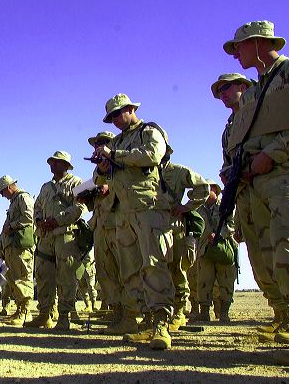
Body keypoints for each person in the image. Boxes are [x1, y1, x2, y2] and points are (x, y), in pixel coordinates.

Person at [223, 20, 289, 366]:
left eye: (237, 47)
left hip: (287, 178)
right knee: (267, 263)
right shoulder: (253, 93)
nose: (235, 54)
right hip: (252, 188)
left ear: (256, 43)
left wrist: (277, 151)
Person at [92, 93, 174, 350]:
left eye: (118, 114)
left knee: (154, 265)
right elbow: (99, 179)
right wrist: (103, 167)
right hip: (123, 213)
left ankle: (161, 325)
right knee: (130, 270)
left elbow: (152, 155)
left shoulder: (149, 131)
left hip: (149, 208)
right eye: (111, 117)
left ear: (130, 109)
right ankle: (141, 321)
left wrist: (116, 155)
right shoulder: (117, 141)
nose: (115, 120)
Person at [211, 72, 286, 332]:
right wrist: (227, 172)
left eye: (227, 88)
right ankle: (283, 316)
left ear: (243, 86)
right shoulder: (229, 128)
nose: (223, 94)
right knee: (260, 263)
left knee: (283, 257)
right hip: (245, 195)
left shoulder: (262, 107)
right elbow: (228, 161)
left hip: (274, 187)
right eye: (220, 91)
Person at [24, 151, 86, 331]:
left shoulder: (77, 183)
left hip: (65, 235)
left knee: (66, 275)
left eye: (57, 162)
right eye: (52, 162)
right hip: (45, 237)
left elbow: (80, 207)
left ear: (66, 165)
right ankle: (44, 314)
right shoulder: (45, 187)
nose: (53, 165)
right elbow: (37, 207)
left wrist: (57, 220)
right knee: (43, 276)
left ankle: (65, 316)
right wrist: (38, 221)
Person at [160, 158, 209, 331]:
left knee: (176, 269)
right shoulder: (142, 171)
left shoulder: (178, 171)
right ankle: (159, 313)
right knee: (154, 271)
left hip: (173, 228)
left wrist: (186, 207)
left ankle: (179, 312)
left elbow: (203, 187)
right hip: (150, 228)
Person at [83, 132, 125, 329]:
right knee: (105, 270)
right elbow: (88, 193)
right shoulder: (96, 172)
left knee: (125, 269)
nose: (98, 146)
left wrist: (110, 187)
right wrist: (88, 195)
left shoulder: (122, 164)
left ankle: (132, 314)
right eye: (96, 143)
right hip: (100, 225)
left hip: (119, 223)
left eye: (103, 143)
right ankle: (116, 312)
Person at [193, 180, 237, 323]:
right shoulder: (198, 209)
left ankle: (224, 314)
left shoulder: (226, 206)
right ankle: (204, 313)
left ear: (214, 190)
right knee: (203, 282)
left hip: (224, 249)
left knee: (226, 281)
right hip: (204, 250)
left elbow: (232, 225)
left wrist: (219, 235)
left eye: (207, 189)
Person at [0, 175, 35, 326]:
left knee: (22, 278)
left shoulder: (23, 198)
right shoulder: (14, 202)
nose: (3, 196)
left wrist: (12, 226)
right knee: (14, 280)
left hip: (21, 247)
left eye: (3, 193)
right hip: (13, 248)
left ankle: (26, 313)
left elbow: (29, 217)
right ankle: (20, 310)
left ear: (9, 187)